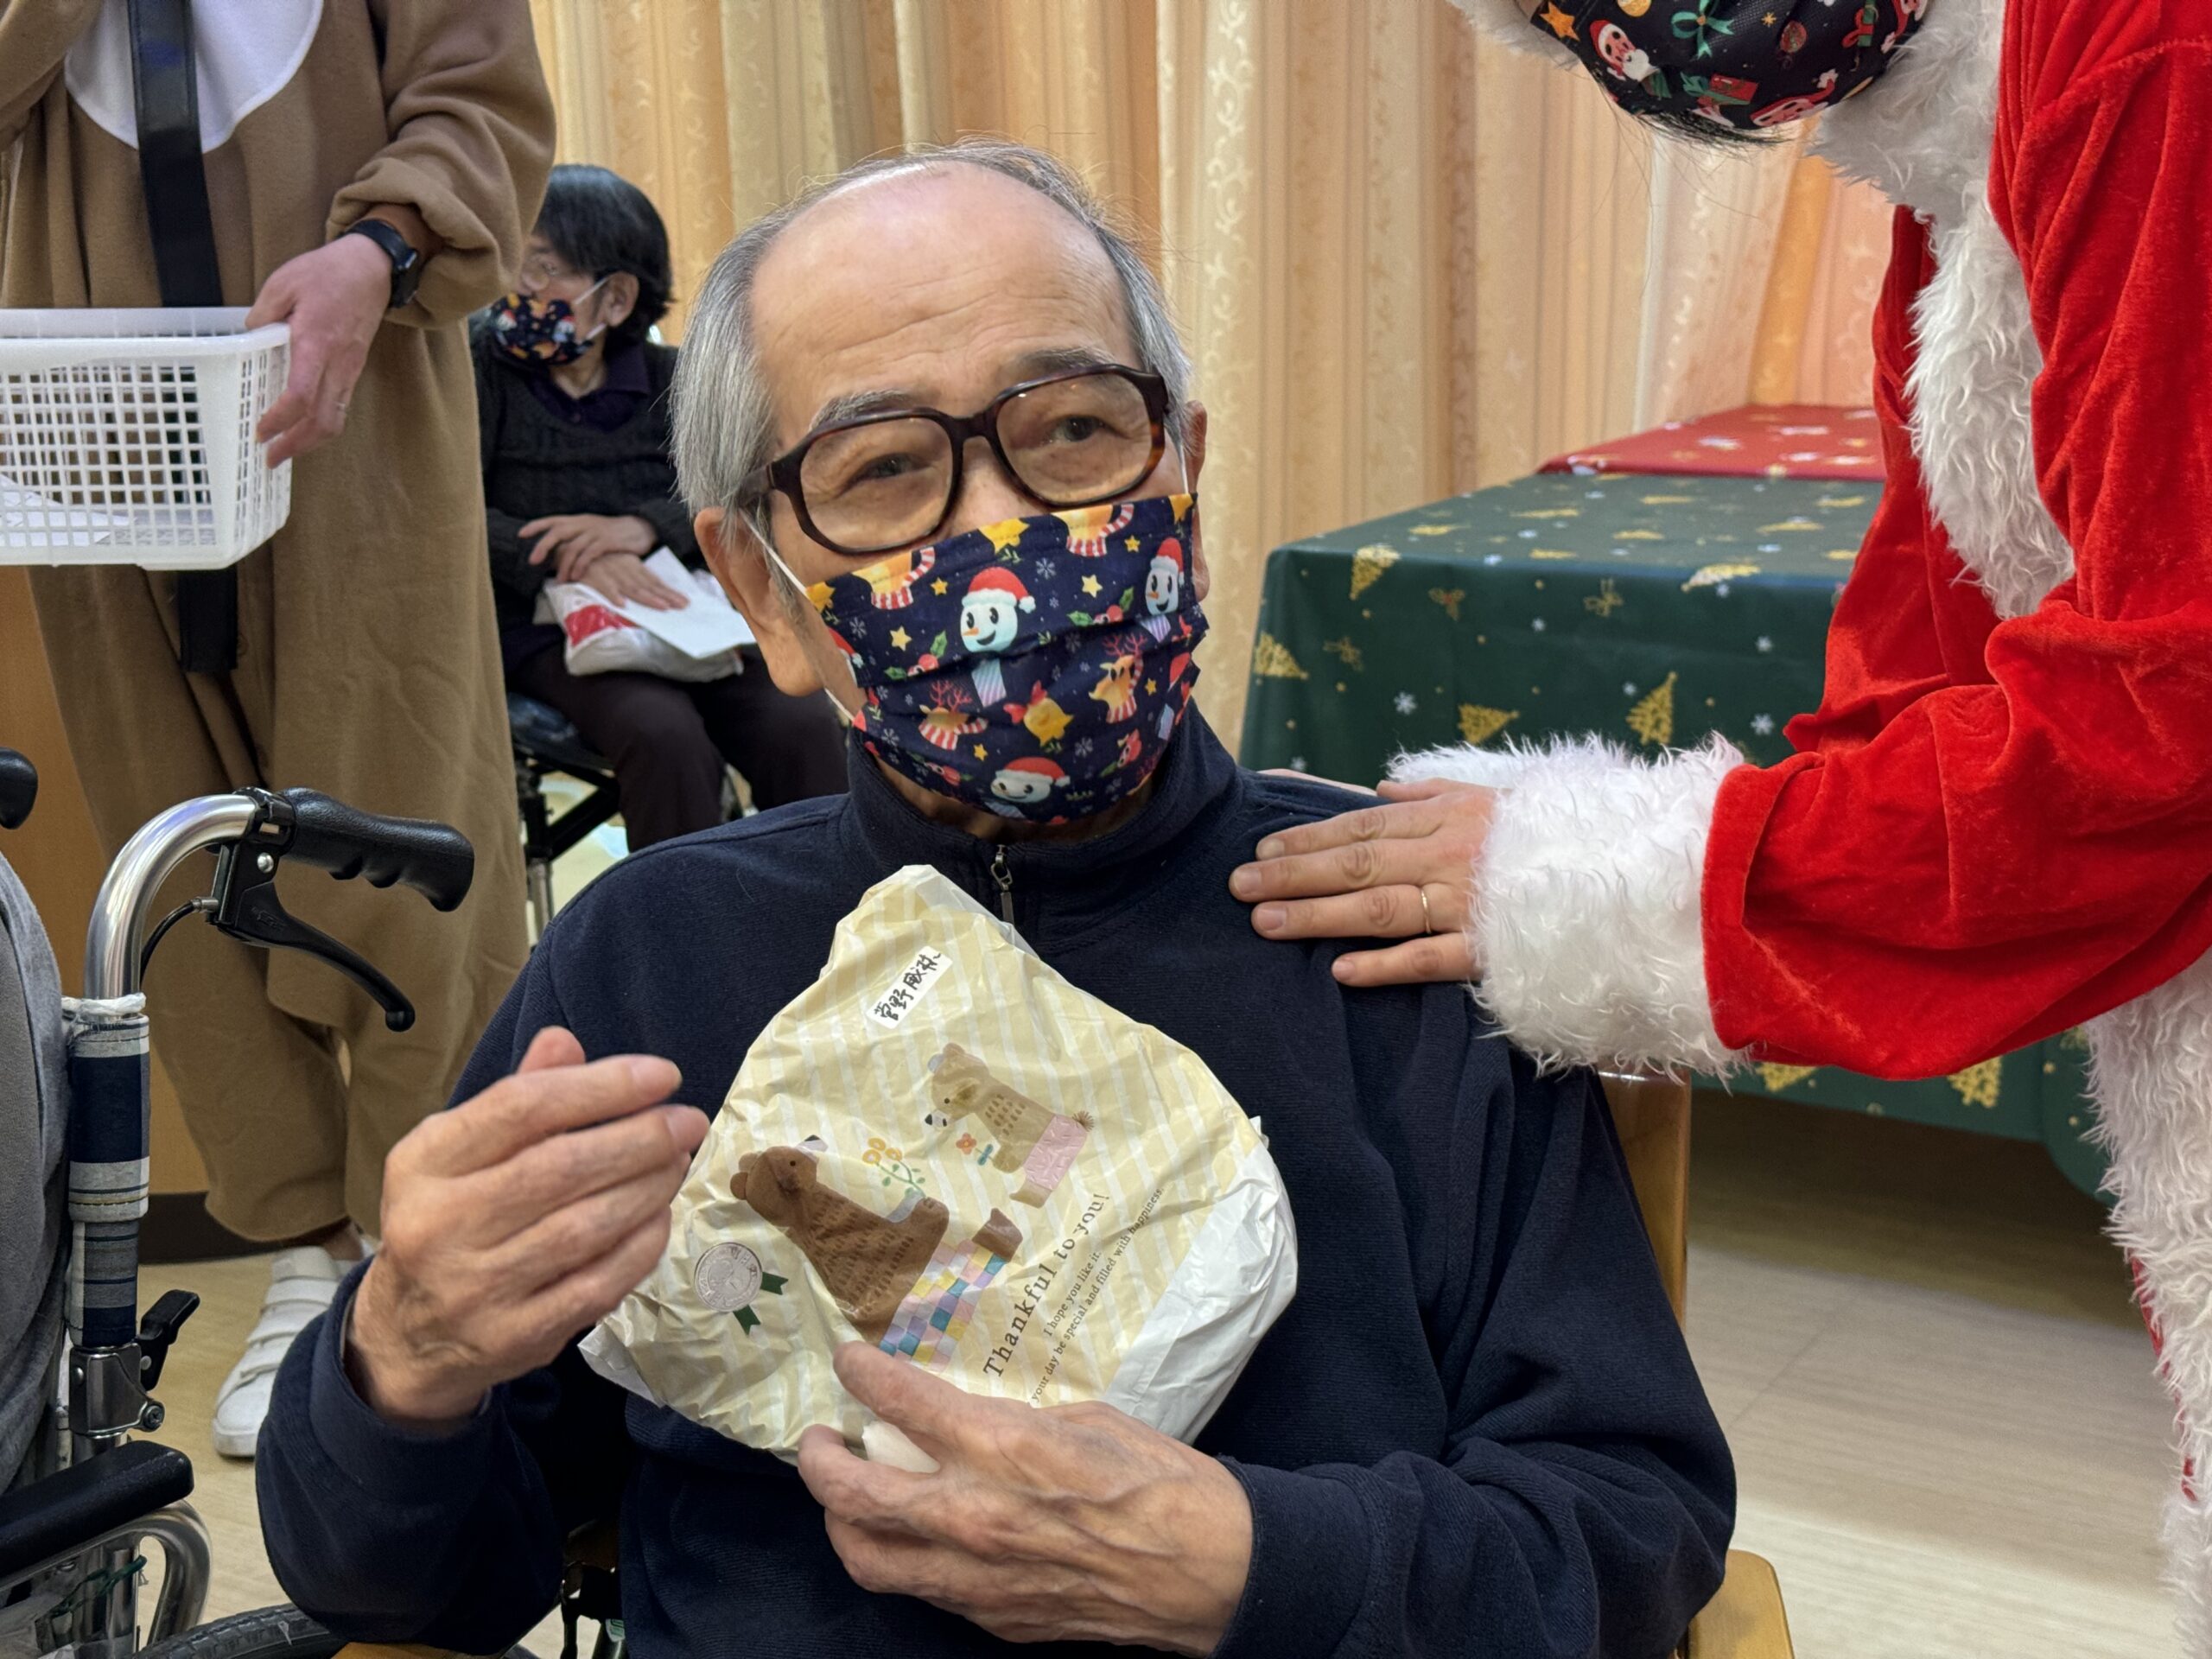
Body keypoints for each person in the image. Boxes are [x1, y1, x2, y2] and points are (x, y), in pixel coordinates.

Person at [255, 141, 1734, 1658]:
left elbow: (1630, 1525)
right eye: (884, 468)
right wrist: (400, 1361)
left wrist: (1251, 1567)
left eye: (1074, 427)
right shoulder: (654, 957)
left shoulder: (1417, 927)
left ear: (1183, 482)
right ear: (762, 591)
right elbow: (418, 1586)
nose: (999, 533)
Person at [1230, 0, 2212, 1641]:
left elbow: (2159, 718)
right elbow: (1930, 652)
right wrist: (1618, 854)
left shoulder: (2148, 56)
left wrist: (1605, 883)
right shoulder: (1958, 165)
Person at [0, 2, 550, 1459]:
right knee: (173, 855)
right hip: (90, 422)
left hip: (357, 406)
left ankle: (426, 1242)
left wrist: (384, 250)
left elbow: (484, 100)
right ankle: (306, 1252)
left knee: (410, 831)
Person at [480, 164, 846, 848]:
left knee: (798, 723)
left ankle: (835, 894)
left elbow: (740, 486)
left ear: (616, 298)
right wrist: (564, 556)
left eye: (543, 268)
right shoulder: (483, 372)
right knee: (663, 735)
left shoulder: (673, 380)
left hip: (684, 611)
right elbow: (445, 515)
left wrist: (639, 528)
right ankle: (682, 912)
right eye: (515, 262)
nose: (517, 286)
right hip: (548, 627)